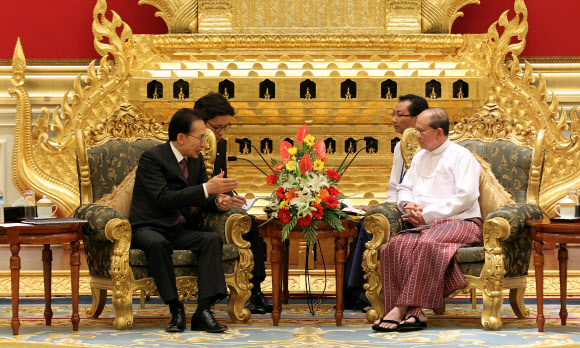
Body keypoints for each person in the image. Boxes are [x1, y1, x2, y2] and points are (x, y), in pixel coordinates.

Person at [372, 107, 482, 332]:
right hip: (425, 225)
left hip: (463, 223)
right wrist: (407, 205)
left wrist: (427, 214)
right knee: (394, 246)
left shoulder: (461, 156)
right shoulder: (421, 156)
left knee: (428, 244)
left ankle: (401, 308)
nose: (416, 136)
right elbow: (404, 188)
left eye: (420, 131)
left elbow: (467, 197)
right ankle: (417, 313)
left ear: (438, 132)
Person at [130, 108, 239, 333]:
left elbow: (200, 196)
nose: (204, 144)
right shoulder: (152, 158)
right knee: (157, 244)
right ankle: (175, 309)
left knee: (210, 240)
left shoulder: (195, 161)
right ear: (181, 138)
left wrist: (218, 201)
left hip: (179, 228)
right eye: (200, 138)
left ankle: (204, 311)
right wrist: (206, 188)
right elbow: (162, 199)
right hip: (149, 226)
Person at [343, 94, 429, 312]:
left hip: (420, 211)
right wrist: (379, 207)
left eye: (400, 115)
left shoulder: (429, 147)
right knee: (365, 220)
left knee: (370, 224)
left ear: (418, 118)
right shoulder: (400, 146)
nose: (393, 119)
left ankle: (362, 294)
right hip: (399, 206)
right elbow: (397, 188)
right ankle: (355, 291)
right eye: (393, 113)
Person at [194, 92, 273, 315]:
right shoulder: (190, 145)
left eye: (225, 128)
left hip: (218, 205)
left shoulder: (219, 145)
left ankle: (253, 289)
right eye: (216, 128)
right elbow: (193, 185)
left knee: (250, 222)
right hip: (196, 207)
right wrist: (217, 197)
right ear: (201, 122)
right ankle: (250, 291)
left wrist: (232, 197)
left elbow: (221, 181)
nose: (220, 133)